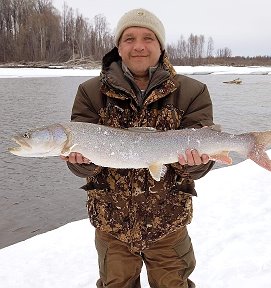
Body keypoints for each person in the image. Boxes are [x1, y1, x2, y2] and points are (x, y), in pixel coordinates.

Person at [62, 8, 214, 288]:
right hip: (112, 225)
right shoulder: (90, 91)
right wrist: (82, 161)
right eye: (129, 38)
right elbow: (81, 165)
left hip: (169, 223)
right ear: (118, 47)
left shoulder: (192, 91)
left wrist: (195, 162)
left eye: (148, 38)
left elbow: (199, 166)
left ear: (161, 45)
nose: (139, 46)